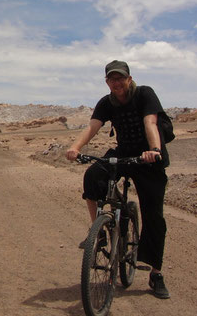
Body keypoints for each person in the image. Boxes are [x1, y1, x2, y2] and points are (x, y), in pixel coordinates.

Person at [66, 60, 171, 299]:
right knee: (93, 176)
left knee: (153, 214)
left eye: (120, 78)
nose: (117, 82)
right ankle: (99, 231)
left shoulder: (144, 93)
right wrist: (75, 147)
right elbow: (93, 127)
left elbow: (150, 122)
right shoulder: (106, 102)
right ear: (107, 82)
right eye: (112, 79)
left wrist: (154, 149)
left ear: (129, 79)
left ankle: (156, 274)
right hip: (124, 152)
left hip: (148, 157)